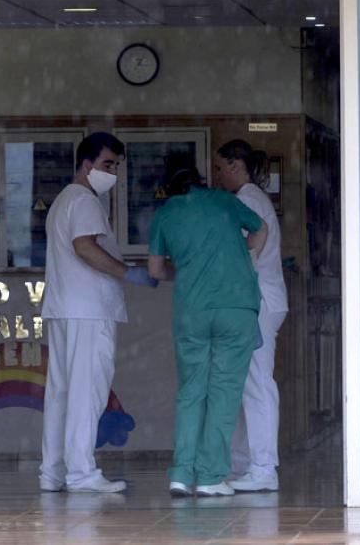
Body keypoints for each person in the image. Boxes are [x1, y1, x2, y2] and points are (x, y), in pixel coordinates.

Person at [39, 132, 159, 494]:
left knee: (61, 393)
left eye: (116, 166)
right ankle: (81, 473)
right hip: (88, 310)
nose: (113, 173)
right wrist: (128, 273)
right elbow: (84, 247)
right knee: (86, 391)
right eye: (107, 164)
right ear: (86, 164)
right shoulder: (85, 201)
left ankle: (52, 472)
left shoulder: (64, 200)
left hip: (66, 308)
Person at [147, 159, 267, 497]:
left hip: (192, 310)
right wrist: (245, 257)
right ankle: (211, 476)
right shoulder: (224, 200)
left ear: (169, 187)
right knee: (224, 392)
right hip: (236, 306)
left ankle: (181, 473)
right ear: (200, 180)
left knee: (191, 391)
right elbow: (261, 228)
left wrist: (188, 270)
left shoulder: (165, 214)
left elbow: (155, 270)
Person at [214, 140, 287, 493]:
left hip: (257, 302)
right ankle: (244, 463)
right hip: (256, 300)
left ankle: (263, 468)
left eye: (220, 168)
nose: (218, 176)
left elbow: (246, 247)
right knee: (246, 384)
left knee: (257, 384)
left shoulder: (248, 200)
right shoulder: (251, 198)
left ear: (234, 165)